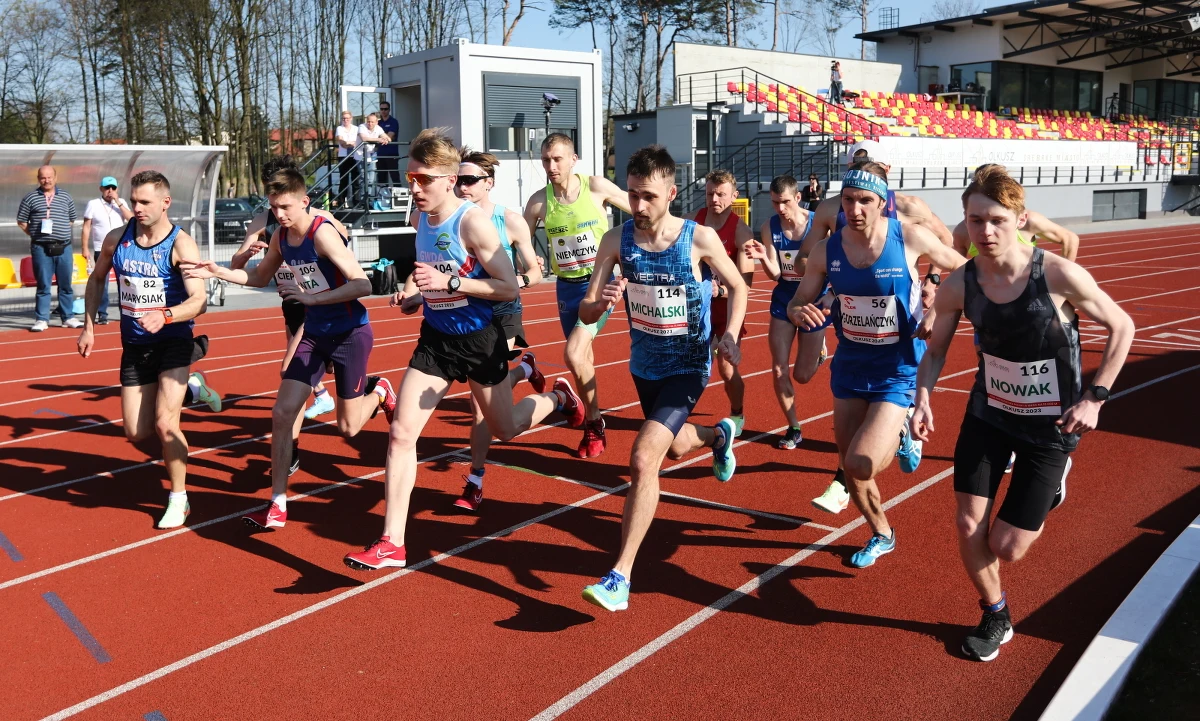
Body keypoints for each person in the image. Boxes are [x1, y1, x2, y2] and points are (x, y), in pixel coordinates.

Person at [911, 165, 1134, 662]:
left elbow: (1123, 326)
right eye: (974, 220)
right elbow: (936, 353)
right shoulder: (959, 284)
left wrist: (1096, 396)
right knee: (969, 524)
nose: (984, 232)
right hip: (988, 412)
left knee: (1007, 546)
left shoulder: (1056, 274)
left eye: (996, 220)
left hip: (1052, 426)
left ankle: (1053, 483)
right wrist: (922, 397)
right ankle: (995, 613)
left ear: (1019, 219)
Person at [343, 128, 584, 571]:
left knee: (506, 428)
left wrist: (453, 283)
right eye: (410, 177)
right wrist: (416, 294)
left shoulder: (470, 221)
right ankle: (392, 542)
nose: (413, 187)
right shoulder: (420, 220)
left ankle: (558, 398)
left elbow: (507, 285)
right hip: (436, 340)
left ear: (450, 178)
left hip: (479, 341)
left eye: (423, 179)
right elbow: (427, 271)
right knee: (400, 434)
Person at [578, 145, 747, 613]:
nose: (638, 206)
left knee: (643, 457)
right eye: (631, 195)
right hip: (644, 366)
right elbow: (587, 307)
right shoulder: (616, 241)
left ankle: (619, 576)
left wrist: (730, 333)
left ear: (671, 193)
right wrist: (603, 301)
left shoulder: (697, 239)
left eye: (648, 196)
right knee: (674, 446)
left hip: (689, 365)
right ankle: (717, 436)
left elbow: (738, 286)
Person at [183, 168, 392, 530]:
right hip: (313, 333)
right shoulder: (280, 237)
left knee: (348, 427)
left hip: (350, 335)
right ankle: (277, 502)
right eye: (273, 207)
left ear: (304, 201)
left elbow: (363, 284)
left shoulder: (322, 233)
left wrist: (314, 297)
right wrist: (217, 271)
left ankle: (379, 391)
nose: (279, 214)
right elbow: (259, 277)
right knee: (282, 414)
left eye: (285, 206)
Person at [788, 163, 965, 568]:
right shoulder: (826, 251)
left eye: (865, 201)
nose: (855, 209)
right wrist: (800, 313)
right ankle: (883, 533)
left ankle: (902, 427)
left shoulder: (909, 238)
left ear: (882, 203)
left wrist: (936, 298)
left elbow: (965, 269)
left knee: (859, 461)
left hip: (898, 368)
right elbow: (799, 300)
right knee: (852, 472)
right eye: (849, 200)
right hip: (851, 366)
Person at [77, 171, 223, 529]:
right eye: (135, 200)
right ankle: (193, 388)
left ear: (164, 203)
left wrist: (167, 314)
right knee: (135, 432)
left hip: (173, 340)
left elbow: (199, 300)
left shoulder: (180, 244)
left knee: (164, 423)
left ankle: (179, 498)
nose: (137, 208)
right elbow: (97, 279)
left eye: (144, 202)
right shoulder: (117, 238)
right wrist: (89, 327)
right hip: (136, 346)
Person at [522, 133, 632, 459]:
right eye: (545, 160)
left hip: (598, 284)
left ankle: (595, 423)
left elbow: (641, 210)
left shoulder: (597, 187)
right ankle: (575, 401)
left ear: (573, 159)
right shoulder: (539, 202)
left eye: (557, 159)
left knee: (573, 353)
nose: (551, 166)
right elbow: (519, 240)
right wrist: (529, 259)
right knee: (583, 359)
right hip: (566, 286)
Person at [449, 148, 546, 512]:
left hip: (506, 313)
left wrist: (516, 280)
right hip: (468, 317)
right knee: (489, 397)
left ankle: (474, 480)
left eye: (469, 180)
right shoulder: (452, 219)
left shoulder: (510, 220)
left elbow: (537, 271)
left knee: (481, 405)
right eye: (458, 180)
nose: (462, 186)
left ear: (488, 183)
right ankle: (527, 369)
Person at [230, 155, 345, 428]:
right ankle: (344, 391)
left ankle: (290, 445)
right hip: (291, 301)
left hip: (317, 302)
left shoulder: (318, 217)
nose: (275, 197)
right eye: (270, 189)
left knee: (290, 368)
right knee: (317, 366)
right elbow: (236, 263)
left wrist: (319, 258)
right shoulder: (262, 221)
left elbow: (343, 242)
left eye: (280, 188)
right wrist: (248, 252)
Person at [743, 174, 830, 451]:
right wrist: (762, 258)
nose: (779, 208)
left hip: (813, 301)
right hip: (784, 298)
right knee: (780, 367)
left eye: (784, 202)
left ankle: (819, 351)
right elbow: (776, 273)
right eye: (774, 202)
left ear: (797, 198)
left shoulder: (819, 223)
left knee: (803, 375)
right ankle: (794, 427)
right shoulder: (770, 226)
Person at [689, 170, 754, 436]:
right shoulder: (697, 220)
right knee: (690, 364)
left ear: (733, 196)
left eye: (720, 194)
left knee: (727, 369)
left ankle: (737, 412)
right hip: (699, 308)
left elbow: (746, 285)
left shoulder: (741, 231)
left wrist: (720, 291)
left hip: (727, 311)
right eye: (709, 194)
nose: (714, 199)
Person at [950, 166, 1080, 262]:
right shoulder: (962, 232)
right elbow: (956, 267)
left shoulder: (1030, 221)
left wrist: (1065, 281)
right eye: (977, 221)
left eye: (997, 221)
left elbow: (1070, 239)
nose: (987, 231)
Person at [17, 165, 83, 332]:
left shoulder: (66, 197)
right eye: (42, 177)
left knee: (66, 284)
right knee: (43, 285)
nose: (46, 180)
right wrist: (35, 235)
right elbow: (22, 221)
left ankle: (68, 317)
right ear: (38, 179)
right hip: (41, 248)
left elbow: (71, 219)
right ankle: (41, 319)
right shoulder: (30, 197)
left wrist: (59, 233)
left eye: (49, 177)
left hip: (64, 247)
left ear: (55, 177)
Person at [81, 176, 134, 325]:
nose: (110, 191)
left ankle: (125, 311)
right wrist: (85, 248)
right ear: (101, 189)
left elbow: (132, 220)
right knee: (101, 281)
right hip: (101, 248)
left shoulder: (121, 203)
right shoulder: (94, 204)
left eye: (113, 188)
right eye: (107, 188)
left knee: (124, 281)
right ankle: (102, 313)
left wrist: (118, 202)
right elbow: (86, 227)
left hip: (122, 248)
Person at [359, 113, 390, 204]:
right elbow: (364, 138)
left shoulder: (378, 128)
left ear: (376, 122)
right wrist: (378, 139)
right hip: (361, 156)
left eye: (372, 122)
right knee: (363, 179)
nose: (370, 123)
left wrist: (385, 139)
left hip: (372, 156)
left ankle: (369, 200)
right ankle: (363, 202)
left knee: (371, 180)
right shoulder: (362, 127)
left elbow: (387, 137)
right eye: (368, 121)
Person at [335, 111, 360, 206]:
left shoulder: (356, 129)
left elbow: (358, 142)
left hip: (355, 156)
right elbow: (342, 142)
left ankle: (356, 202)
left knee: (356, 180)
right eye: (343, 118)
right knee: (343, 180)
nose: (345, 120)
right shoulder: (339, 128)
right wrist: (351, 143)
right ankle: (341, 202)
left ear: (351, 118)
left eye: (347, 118)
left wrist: (349, 143)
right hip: (343, 156)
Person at [377, 101, 400, 187]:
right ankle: (382, 199)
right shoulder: (378, 123)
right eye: (381, 109)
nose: (383, 111)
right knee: (381, 179)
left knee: (395, 178)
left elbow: (389, 137)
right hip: (380, 154)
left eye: (385, 109)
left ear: (389, 110)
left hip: (391, 154)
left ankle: (399, 199)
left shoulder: (393, 121)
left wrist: (378, 138)